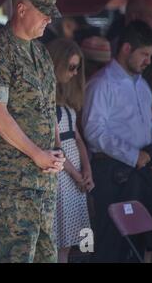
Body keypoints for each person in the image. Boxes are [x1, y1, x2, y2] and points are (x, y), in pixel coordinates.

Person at [0, 0, 65, 263]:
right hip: (11, 178)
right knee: (17, 253)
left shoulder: (41, 53)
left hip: (43, 176)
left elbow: (49, 109)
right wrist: (38, 154)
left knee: (46, 253)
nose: (49, 20)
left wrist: (56, 152)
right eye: (44, 13)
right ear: (22, 9)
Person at [83, 20, 152, 262]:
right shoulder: (101, 84)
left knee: (141, 244)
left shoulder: (143, 86)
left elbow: (151, 127)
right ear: (127, 48)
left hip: (143, 172)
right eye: (144, 54)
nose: (148, 61)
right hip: (112, 173)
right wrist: (132, 155)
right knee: (112, 246)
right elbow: (94, 131)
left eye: (151, 55)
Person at [46, 38, 93, 263]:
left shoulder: (66, 100)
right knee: (58, 242)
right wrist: (78, 176)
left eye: (77, 68)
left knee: (69, 243)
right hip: (63, 176)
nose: (74, 73)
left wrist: (87, 171)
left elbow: (77, 138)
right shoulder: (47, 102)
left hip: (74, 175)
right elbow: (56, 147)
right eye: (71, 67)